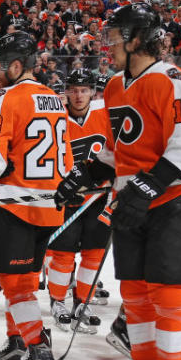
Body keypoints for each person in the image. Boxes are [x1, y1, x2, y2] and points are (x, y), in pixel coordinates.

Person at [56, 3, 181, 360]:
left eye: (115, 36)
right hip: (133, 198)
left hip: (174, 198)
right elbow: (114, 148)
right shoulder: (114, 86)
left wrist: (146, 185)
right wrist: (85, 175)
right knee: (135, 292)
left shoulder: (172, 80)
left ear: (138, 39)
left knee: (169, 291)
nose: (108, 45)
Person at [0, 31, 70, 360]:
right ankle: (17, 343)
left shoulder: (4, 99)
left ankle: (38, 349)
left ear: (15, 65)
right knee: (24, 279)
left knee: (15, 284)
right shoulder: (54, 98)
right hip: (49, 205)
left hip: (15, 204)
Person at [45, 69, 113, 334]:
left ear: (93, 92)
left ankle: (82, 303)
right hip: (69, 195)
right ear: (66, 92)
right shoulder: (56, 120)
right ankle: (58, 302)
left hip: (100, 197)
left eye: (84, 90)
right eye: (73, 89)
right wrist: (61, 186)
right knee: (63, 253)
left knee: (93, 254)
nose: (78, 95)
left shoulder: (104, 115)